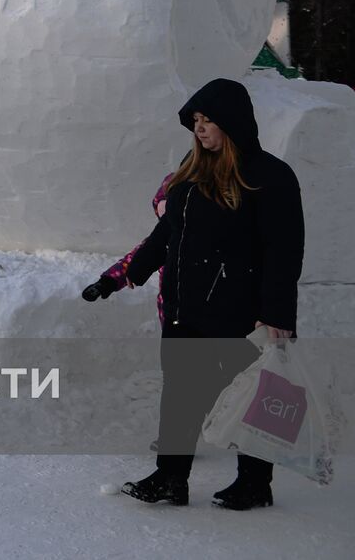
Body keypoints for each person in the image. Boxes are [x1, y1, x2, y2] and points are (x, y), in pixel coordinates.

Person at [98, 78, 303, 511]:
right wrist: (131, 272)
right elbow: (166, 233)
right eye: (196, 121)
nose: (201, 129)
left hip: (241, 313)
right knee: (180, 394)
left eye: (208, 120)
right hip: (185, 308)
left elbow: (284, 252)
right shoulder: (191, 175)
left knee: (252, 396)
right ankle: (171, 479)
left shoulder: (270, 178)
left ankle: (254, 483)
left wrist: (276, 315)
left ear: (232, 122)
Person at [81, 173, 173, 323]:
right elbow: (136, 259)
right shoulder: (161, 239)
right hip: (171, 313)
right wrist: (107, 282)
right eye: (163, 208)